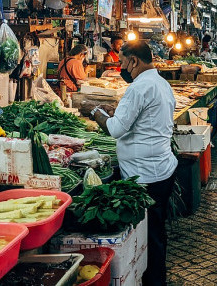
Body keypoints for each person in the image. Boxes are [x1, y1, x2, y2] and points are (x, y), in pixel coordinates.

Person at [90, 41, 177, 286]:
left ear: (134, 61)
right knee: (156, 230)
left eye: (122, 62)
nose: (121, 67)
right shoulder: (161, 83)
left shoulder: (139, 87)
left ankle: (154, 281)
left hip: (145, 175)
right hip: (161, 169)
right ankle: (155, 277)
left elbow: (116, 130)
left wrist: (97, 113)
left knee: (150, 234)